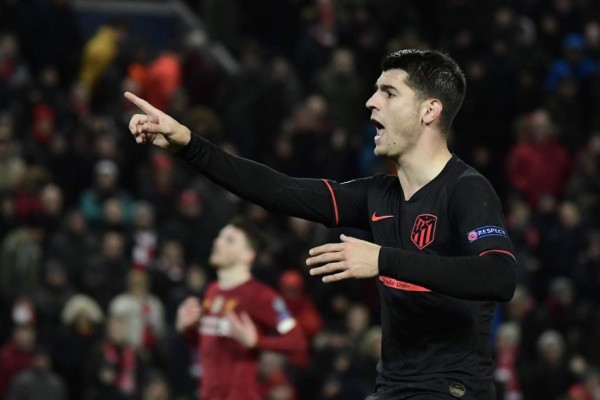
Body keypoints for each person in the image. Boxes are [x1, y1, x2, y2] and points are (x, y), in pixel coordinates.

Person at [125, 49, 517, 400]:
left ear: (429, 111)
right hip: (394, 387)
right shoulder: (377, 195)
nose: (370, 101)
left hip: (453, 389)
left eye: (389, 92)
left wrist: (383, 259)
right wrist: (188, 144)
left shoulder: (467, 190)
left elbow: (499, 276)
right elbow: (279, 190)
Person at [175, 218, 307, 400]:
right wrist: (187, 329)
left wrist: (257, 342)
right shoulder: (212, 290)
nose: (218, 242)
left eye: (229, 240)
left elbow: (297, 341)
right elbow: (209, 344)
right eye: (220, 237)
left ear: (248, 255)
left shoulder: (261, 295)